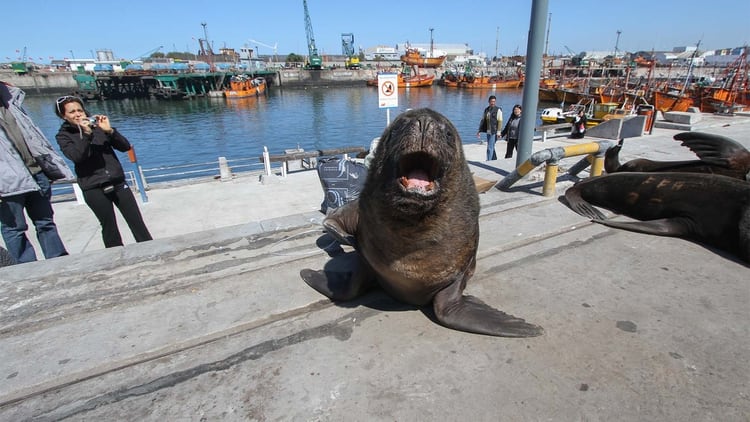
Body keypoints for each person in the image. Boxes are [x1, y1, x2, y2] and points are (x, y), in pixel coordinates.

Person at [54, 96, 152, 248]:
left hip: (117, 182)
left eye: (80, 110)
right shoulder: (63, 136)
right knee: (109, 228)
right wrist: (86, 134)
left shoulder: (98, 127)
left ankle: (149, 249)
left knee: (137, 222)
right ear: (63, 116)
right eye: (72, 112)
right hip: (93, 187)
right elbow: (77, 156)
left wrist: (110, 131)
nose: (78, 114)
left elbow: (125, 146)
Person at [0, 81, 73, 263]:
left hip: (35, 172)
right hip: (6, 182)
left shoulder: (11, 102)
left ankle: (58, 262)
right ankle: (26, 269)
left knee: (46, 222)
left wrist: (49, 165)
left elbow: (33, 136)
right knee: (14, 229)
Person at [476, 95, 503, 161]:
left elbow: (500, 121)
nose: (493, 103)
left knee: (489, 147)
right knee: (491, 146)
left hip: (494, 131)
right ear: (489, 101)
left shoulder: (498, 110)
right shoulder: (486, 110)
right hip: (488, 131)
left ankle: (488, 161)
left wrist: (499, 132)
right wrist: (479, 130)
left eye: (494, 101)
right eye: (491, 101)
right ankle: (494, 159)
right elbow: (483, 120)